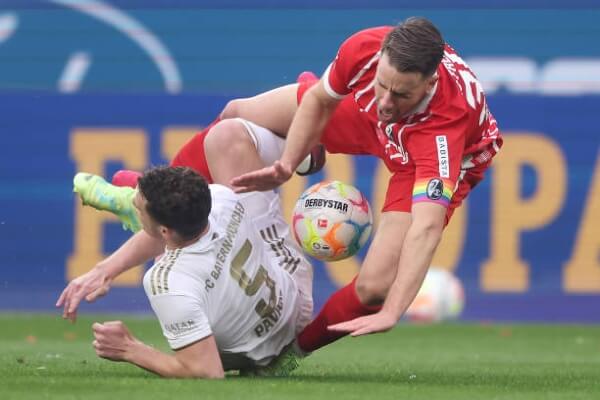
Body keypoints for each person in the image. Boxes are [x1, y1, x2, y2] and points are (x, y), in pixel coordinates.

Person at [227, 17, 502, 345]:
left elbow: (426, 228)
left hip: (421, 154)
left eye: (400, 92)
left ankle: (287, 352)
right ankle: (162, 188)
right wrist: (288, 162)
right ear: (382, 55)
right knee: (236, 113)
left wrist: (393, 311)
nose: (385, 100)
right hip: (378, 123)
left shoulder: (444, 130)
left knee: (374, 288)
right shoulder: (368, 48)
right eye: (381, 83)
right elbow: (321, 98)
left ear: (428, 85)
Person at [57, 119, 314, 378]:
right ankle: (307, 152)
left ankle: (138, 210)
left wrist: (129, 348)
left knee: (166, 261)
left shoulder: (165, 280)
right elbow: (174, 232)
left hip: (262, 358)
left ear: (164, 231)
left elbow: (208, 372)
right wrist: (104, 270)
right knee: (225, 137)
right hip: (296, 300)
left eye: (138, 205)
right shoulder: (223, 199)